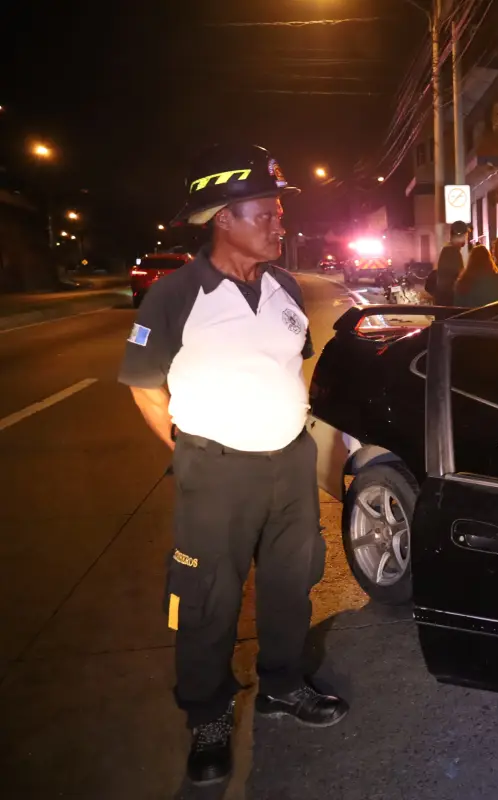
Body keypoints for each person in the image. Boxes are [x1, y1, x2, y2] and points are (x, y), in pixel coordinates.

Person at [117, 144, 348, 786]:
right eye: (267, 213)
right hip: (215, 473)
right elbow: (143, 388)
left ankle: (281, 684)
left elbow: (287, 360)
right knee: (205, 601)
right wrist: (194, 452)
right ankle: (208, 720)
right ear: (224, 218)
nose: (281, 224)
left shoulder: (286, 287)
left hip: (289, 466)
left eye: (279, 213)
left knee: (289, 584)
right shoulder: (174, 295)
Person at [426, 220, 471, 305]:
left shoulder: (448, 250)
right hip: (450, 304)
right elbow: (458, 279)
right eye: (466, 235)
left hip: (444, 302)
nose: (466, 238)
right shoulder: (452, 252)